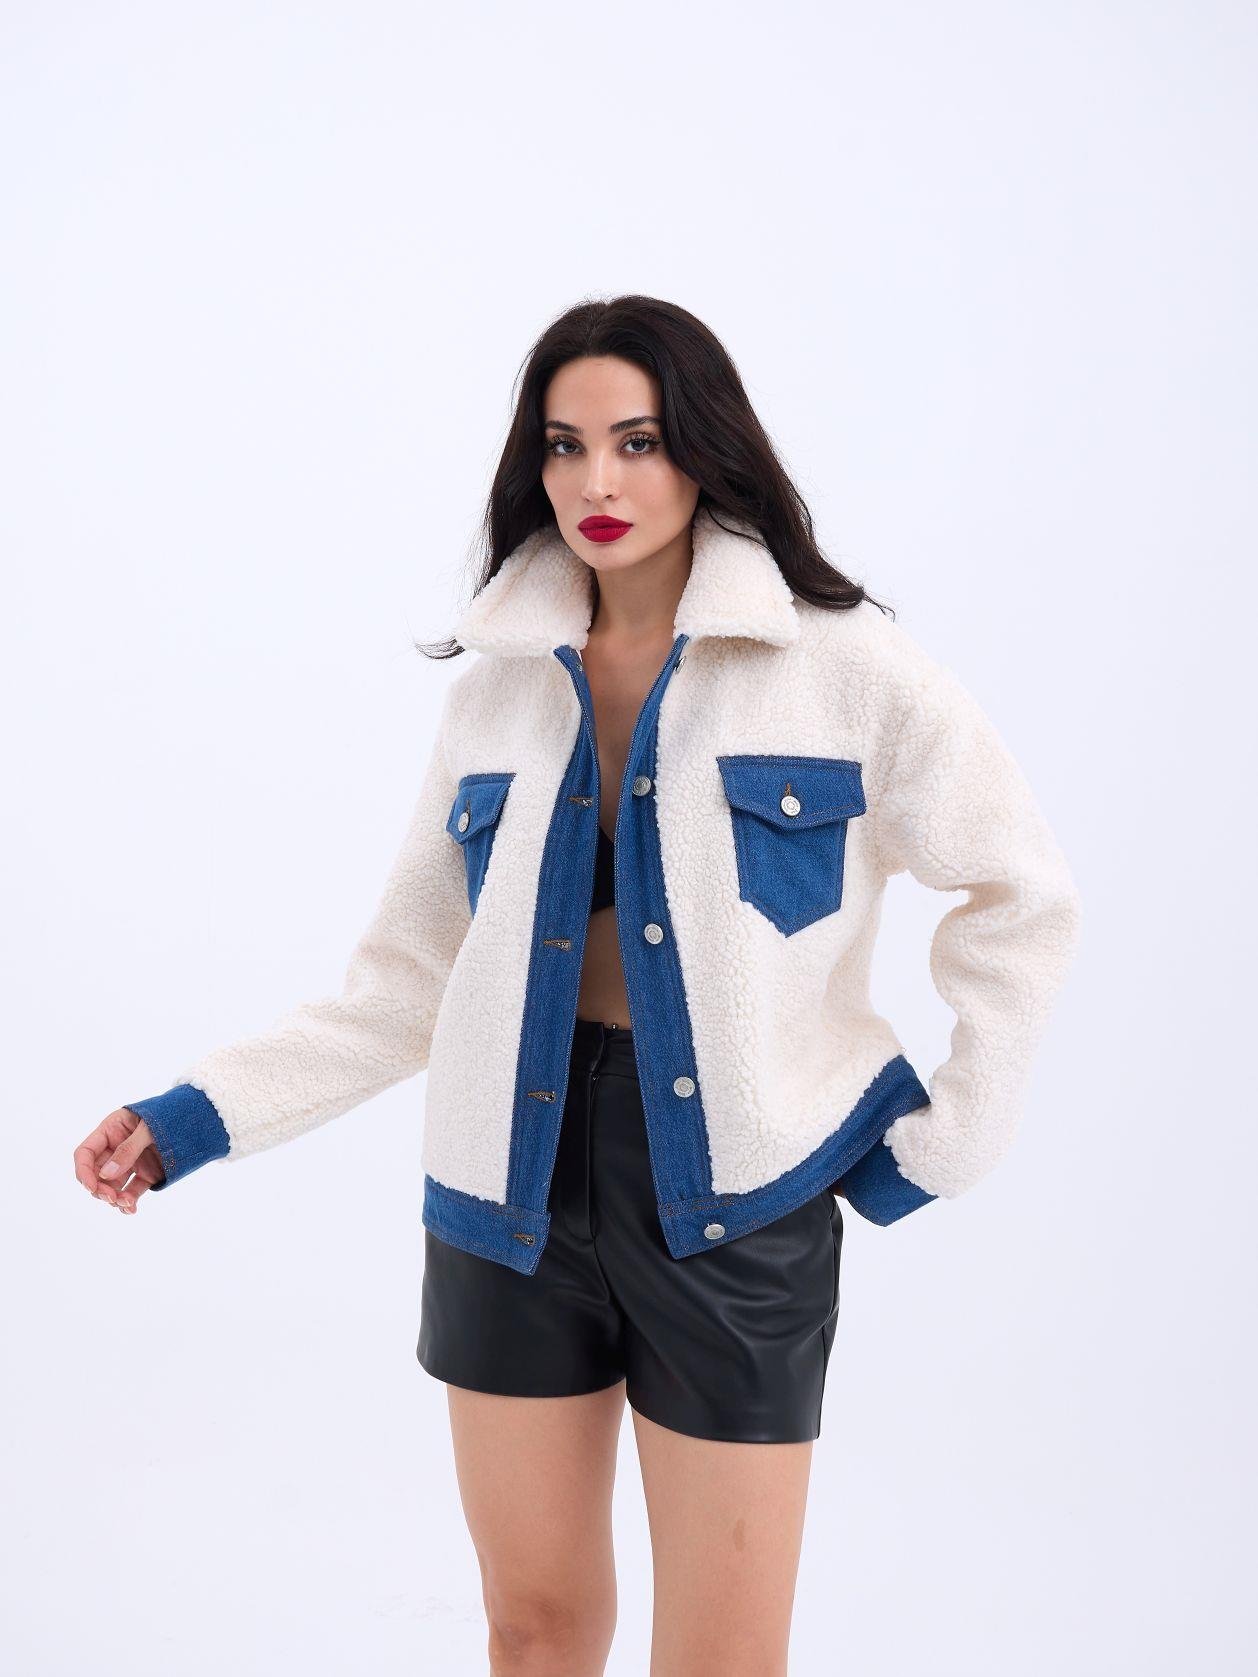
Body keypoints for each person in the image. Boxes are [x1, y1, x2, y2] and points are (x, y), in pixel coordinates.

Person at [74, 294, 1082, 1675]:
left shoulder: (845, 667)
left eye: (637, 441)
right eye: (564, 445)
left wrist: (950, 1133)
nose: (597, 481)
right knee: (534, 1631)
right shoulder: (496, 694)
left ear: (705, 450)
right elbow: (407, 982)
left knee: (723, 1656)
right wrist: (191, 1116)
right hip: (509, 1193)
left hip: (738, 1202)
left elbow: (1021, 893)